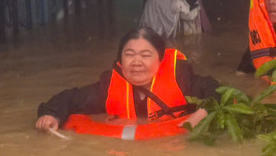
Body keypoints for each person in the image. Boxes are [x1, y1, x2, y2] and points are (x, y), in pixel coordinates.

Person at [35, 27, 217, 132]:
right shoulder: (107, 89)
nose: (136, 62)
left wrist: (201, 115)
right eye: (129, 55)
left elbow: (219, 93)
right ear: (120, 61)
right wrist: (50, 115)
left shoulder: (182, 80)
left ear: (161, 61)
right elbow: (70, 99)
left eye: (146, 55)